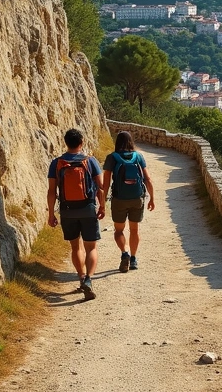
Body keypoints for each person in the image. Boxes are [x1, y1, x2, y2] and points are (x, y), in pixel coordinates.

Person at [47, 128, 105, 300]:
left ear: (66, 143)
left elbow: (51, 191)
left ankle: (80, 277)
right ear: (82, 143)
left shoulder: (56, 163)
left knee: (75, 246)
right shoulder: (90, 161)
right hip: (87, 209)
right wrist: (102, 207)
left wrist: (51, 214)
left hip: (67, 211)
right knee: (91, 247)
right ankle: (88, 279)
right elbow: (100, 187)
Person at [102, 131, 156, 273]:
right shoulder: (138, 156)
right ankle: (133, 259)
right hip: (137, 198)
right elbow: (147, 179)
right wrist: (152, 198)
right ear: (131, 142)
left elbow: (105, 183)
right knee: (134, 229)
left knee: (118, 230)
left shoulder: (112, 158)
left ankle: (124, 254)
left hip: (119, 199)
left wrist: (102, 202)